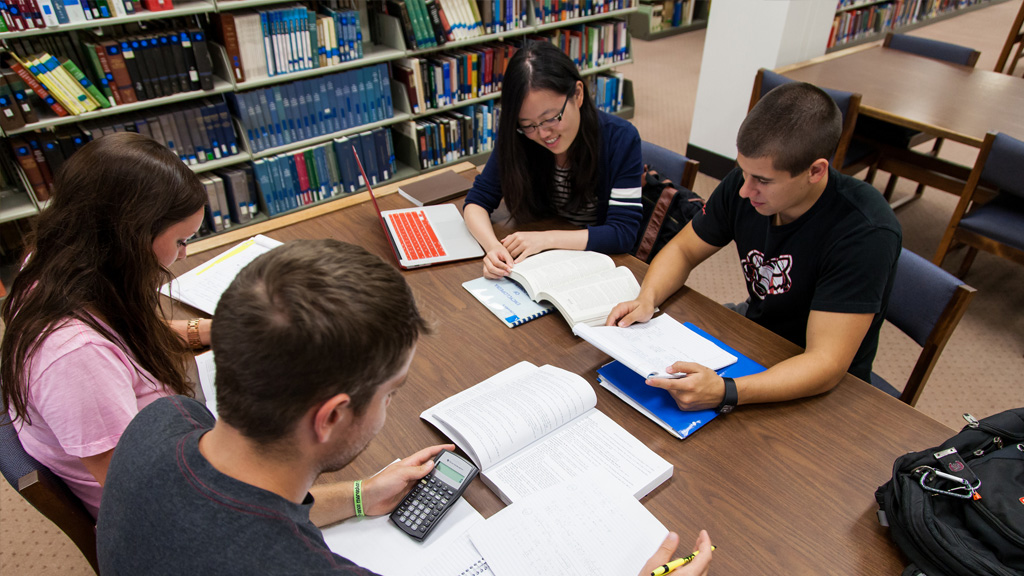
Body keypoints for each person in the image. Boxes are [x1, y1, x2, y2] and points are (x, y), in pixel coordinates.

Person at [97, 239, 712, 576]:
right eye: (391, 393)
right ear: (332, 416)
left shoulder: (156, 424)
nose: (391, 406)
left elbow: (242, 507)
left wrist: (361, 495)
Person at [608, 82, 901, 413]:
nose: (745, 191)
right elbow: (683, 250)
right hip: (757, 333)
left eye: (763, 180)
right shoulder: (745, 184)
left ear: (815, 171)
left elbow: (826, 363)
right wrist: (647, 298)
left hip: (818, 379)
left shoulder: (864, 233)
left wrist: (725, 391)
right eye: (742, 172)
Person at [0, 132, 213, 518]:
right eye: (181, 240)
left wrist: (207, 331)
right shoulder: (75, 359)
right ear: (130, 238)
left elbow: (121, 335)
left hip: (172, 443)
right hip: (170, 508)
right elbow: (150, 496)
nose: (184, 253)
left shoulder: (55, 265)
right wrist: (354, 494)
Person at [464, 41, 644, 279]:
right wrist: (493, 248)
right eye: (528, 125)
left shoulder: (621, 138)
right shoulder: (518, 137)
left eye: (551, 118)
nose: (543, 134)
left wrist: (546, 238)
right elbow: (476, 201)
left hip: (593, 263)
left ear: (578, 94)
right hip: (537, 263)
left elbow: (622, 233)